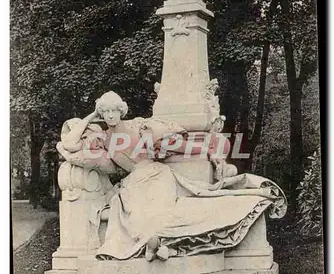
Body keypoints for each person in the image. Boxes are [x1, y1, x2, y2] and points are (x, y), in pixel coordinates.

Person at [58, 91, 287, 262]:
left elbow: (176, 144)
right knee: (135, 210)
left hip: (157, 175)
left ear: (121, 111)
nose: (109, 116)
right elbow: (69, 144)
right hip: (133, 182)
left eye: (113, 111)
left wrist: (208, 151)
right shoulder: (104, 138)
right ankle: (158, 246)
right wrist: (91, 116)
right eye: (105, 112)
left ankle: (163, 244)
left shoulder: (140, 126)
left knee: (163, 209)